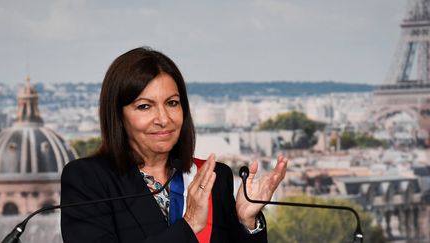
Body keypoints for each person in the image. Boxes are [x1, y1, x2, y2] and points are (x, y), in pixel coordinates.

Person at [60, 47, 288, 243]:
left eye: (172, 103)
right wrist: (188, 226)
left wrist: (246, 222)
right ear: (118, 115)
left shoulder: (213, 177)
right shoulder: (88, 179)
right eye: (144, 106)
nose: (163, 119)